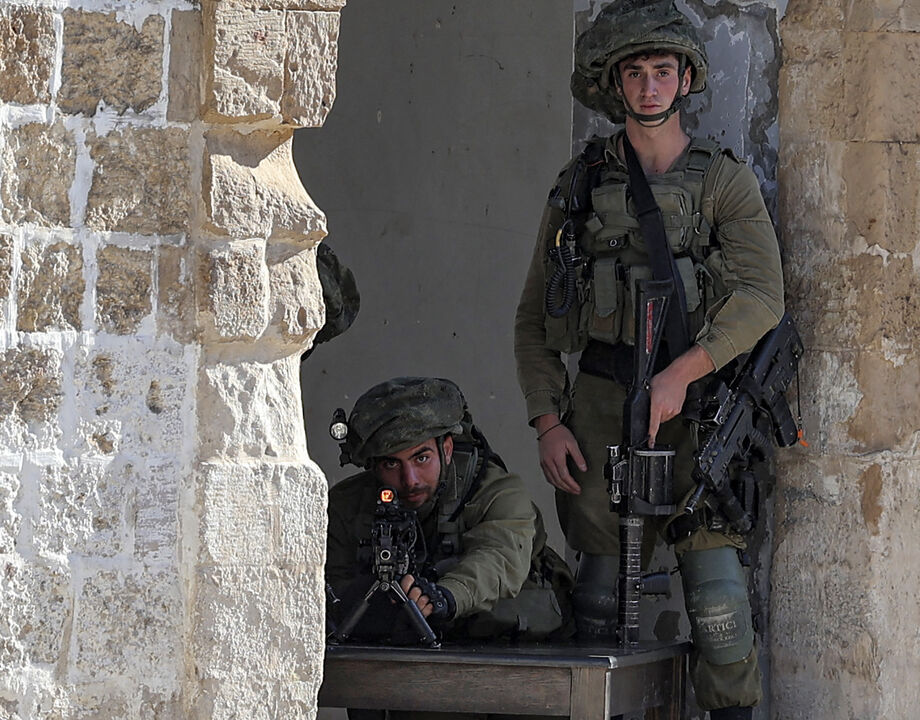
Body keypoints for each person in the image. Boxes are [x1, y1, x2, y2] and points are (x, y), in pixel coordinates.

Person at [513, 2, 784, 719]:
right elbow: (533, 318)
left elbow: (763, 297)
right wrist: (547, 420)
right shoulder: (579, 186)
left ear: (686, 78)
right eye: (634, 73)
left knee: (719, 602)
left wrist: (683, 371)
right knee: (598, 608)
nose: (649, 86)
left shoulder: (722, 183)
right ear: (616, 85)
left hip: (695, 414)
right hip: (601, 409)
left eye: (662, 71)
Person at [325, 376, 573, 652]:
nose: (410, 479)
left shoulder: (497, 491)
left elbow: (498, 559)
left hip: (513, 647)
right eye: (391, 463)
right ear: (372, 466)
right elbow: (327, 585)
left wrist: (444, 597)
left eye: (421, 458)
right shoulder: (346, 505)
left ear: (446, 449)